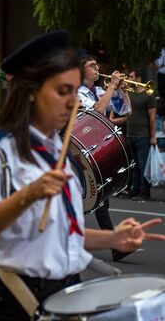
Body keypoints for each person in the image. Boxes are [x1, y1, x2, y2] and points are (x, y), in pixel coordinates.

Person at [0, 31, 165, 321]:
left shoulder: (58, 149)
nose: (72, 103)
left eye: (74, 91)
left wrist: (113, 238)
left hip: (68, 292)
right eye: (62, 91)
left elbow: (63, 235)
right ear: (31, 91)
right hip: (18, 300)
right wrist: (28, 194)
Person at [78, 52, 132, 261]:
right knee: (80, 199)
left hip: (88, 151)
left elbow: (124, 111)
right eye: (92, 65)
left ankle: (115, 246)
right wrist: (111, 88)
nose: (97, 68)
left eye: (96, 64)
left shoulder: (99, 90)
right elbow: (97, 114)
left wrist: (121, 91)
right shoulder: (77, 92)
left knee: (99, 199)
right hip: (72, 152)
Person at [122, 70, 156, 201]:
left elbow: (152, 117)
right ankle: (134, 190)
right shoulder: (129, 93)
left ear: (138, 78)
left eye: (131, 77)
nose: (129, 79)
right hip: (130, 134)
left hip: (143, 135)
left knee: (143, 165)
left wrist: (153, 136)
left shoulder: (148, 96)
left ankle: (145, 191)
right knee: (134, 165)